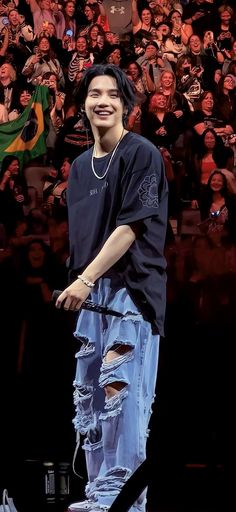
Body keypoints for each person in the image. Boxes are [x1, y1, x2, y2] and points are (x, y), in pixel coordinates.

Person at [55, 63, 168, 512]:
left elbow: (130, 228)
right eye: (94, 93)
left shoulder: (142, 153)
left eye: (112, 95)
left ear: (127, 105)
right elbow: (81, 237)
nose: (103, 101)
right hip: (92, 296)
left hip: (131, 293)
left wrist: (85, 279)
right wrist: (80, 282)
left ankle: (125, 500)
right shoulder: (81, 167)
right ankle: (99, 491)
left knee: (124, 394)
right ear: (83, 105)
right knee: (90, 395)